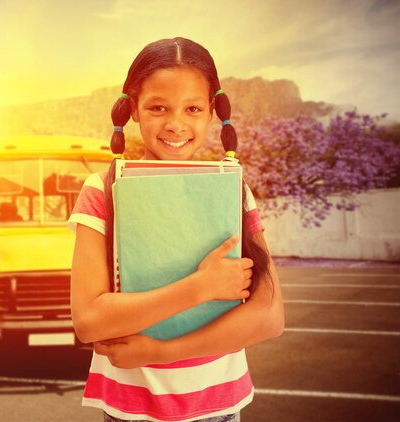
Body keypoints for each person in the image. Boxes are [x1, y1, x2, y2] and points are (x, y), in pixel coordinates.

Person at [68, 37, 285, 422]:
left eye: (193, 108)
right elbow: (89, 321)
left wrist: (159, 351)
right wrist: (199, 287)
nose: (176, 124)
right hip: (129, 410)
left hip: (220, 409)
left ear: (213, 113)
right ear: (133, 109)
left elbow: (269, 316)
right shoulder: (103, 191)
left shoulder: (235, 191)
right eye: (158, 107)